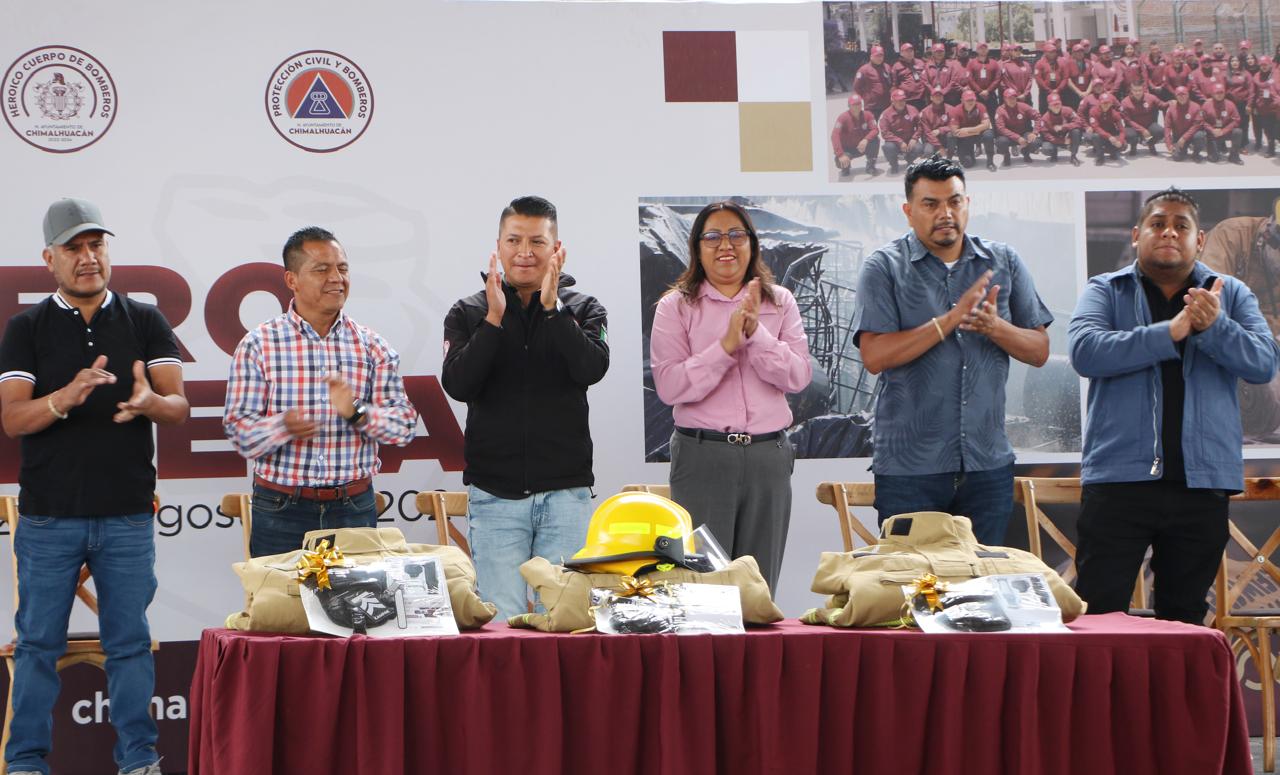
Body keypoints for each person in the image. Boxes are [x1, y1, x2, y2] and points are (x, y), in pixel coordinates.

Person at [0, 199, 190, 775]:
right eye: (74, 248)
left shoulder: (145, 320)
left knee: (129, 644)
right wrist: (64, 397)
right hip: (48, 517)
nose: (88, 257)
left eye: (96, 245)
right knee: (37, 645)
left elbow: (178, 407)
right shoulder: (26, 328)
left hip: (126, 515)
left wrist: (149, 401)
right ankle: (26, 763)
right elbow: (13, 418)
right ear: (49, 259)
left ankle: (139, 761)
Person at [1067, 188, 1279, 623]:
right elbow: (1086, 352)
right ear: (1136, 235)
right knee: (1098, 614)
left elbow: (1263, 364)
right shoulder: (1105, 289)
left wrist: (1215, 326)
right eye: (1158, 223)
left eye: (1181, 225)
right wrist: (1172, 331)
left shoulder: (1231, 294)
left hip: (1201, 485)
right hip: (1118, 482)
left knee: (1183, 619)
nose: (1168, 232)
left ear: (1199, 240)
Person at [852, 156, 1052, 544]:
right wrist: (950, 320)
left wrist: (995, 327)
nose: (945, 213)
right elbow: (874, 356)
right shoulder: (884, 267)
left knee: (983, 580)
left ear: (967, 203)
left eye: (954, 201)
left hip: (987, 466)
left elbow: (1039, 350)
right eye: (931, 204)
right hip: (910, 469)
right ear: (909, 211)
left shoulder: (1004, 261)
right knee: (912, 580)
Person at [441, 195, 609, 620]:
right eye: (514, 240)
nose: (525, 252)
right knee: (502, 623)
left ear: (556, 249)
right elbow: (458, 384)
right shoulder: (469, 311)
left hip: (566, 495)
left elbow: (591, 368)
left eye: (537, 241)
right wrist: (494, 320)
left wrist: (553, 310)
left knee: (565, 620)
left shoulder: (584, 308)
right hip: (495, 496)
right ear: (498, 247)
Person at [223, 227, 417, 556]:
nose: (336, 278)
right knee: (281, 592)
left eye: (342, 268)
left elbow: (403, 427)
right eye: (322, 269)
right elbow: (239, 432)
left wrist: (356, 412)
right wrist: (283, 426)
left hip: (353, 508)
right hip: (280, 507)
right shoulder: (259, 344)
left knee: (356, 594)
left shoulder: (372, 346)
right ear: (292, 280)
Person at [650, 201, 811, 592]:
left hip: (768, 457)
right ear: (697, 247)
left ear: (752, 244)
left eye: (737, 234)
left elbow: (798, 376)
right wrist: (725, 346)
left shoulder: (780, 302)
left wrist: (756, 334)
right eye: (713, 236)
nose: (726, 244)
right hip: (702, 456)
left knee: (758, 588)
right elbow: (670, 386)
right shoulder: (675, 306)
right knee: (702, 589)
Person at [832, 94, 881, 177]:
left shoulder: (868, 115)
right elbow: (835, 135)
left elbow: (875, 129)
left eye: (859, 104)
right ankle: (845, 167)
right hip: (848, 149)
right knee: (839, 161)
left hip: (862, 146)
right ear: (849, 106)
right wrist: (840, 154)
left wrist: (866, 139)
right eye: (854, 104)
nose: (857, 106)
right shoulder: (843, 117)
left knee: (875, 139)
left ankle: (871, 165)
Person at [948, 89, 998, 171]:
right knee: (967, 163)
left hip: (975, 134)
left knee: (988, 135)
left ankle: (990, 162)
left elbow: (986, 124)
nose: (970, 102)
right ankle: (959, 156)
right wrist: (976, 130)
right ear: (962, 101)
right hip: (964, 138)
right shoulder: (956, 110)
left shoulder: (981, 106)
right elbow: (954, 131)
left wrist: (969, 130)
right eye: (968, 100)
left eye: (972, 100)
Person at [994, 87, 1041, 167]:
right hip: (1008, 137)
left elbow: (1038, 117)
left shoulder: (1024, 106)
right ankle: (1006, 155)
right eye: (1009, 98)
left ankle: (1025, 152)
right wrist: (1017, 138)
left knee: (1036, 142)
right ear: (1005, 99)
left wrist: (1035, 132)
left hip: (1024, 133)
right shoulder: (1000, 110)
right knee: (1000, 142)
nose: (1012, 100)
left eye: (1014, 98)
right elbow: (1001, 128)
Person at [879, 88, 922, 174]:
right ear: (892, 101)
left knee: (919, 148)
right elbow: (885, 132)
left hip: (909, 140)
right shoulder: (886, 114)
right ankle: (894, 164)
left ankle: (909, 161)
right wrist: (899, 142)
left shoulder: (912, 109)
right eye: (898, 100)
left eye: (903, 100)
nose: (901, 102)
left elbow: (920, 126)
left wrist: (914, 138)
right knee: (888, 147)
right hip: (894, 142)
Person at [1038, 91, 1085, 166]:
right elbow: (1046, 135)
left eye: (1058, 104)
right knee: (1046, 148)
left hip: (1066, 136)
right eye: (1054, 105)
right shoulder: (1045, 118)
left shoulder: (1068, 110)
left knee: (1076, 131)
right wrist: (1062, 141)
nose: (1056, 106)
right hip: (1054, 139)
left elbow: (1079, 122)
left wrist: (1063, 127)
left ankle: (1073, 156)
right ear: (1049, 106)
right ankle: (1054, 154)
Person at [1120, 80, 1166, 156]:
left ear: (1143, 89)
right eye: (1135, 90)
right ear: (1131, 90)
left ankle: (1151, 143)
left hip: (1149, 125)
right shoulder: (1125, 102)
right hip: (1132, 127)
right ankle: (1133, 146)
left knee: (1160, 132)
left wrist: (1171, 103)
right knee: (1129, 135)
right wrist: (1142, 130)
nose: (1138, 93)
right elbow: (1128, 121)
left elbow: (1162, 105)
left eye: (1140, 90)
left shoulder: (1151, 97)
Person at [1203, 82, 1244, 164]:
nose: (1219, 95)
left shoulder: (1230, 104)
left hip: (1226, 132)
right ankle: (1213, 151)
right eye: (1217, 93)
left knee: (1238, 132)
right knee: (1213, 159)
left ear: (1224, 93)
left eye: (1221, 92)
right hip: (1212, 133)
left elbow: (1236, 120)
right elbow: (1201, 121)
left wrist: (1224, 131)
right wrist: (1212, 130)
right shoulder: (1206, 105)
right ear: (1212, 94)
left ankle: (1234, 156)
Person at [1164, 86, 1208, 162]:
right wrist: (1168, 143)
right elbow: (1167, 127)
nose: (1181, 97)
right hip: (1178, 136)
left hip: (1192, 135)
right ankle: (1184, 151)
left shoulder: (1196, 107)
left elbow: (1196, 125)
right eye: (1179, 95)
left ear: (1188, 95)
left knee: (1200, 136)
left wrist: (1184, 138)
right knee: (1177, 157)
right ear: (1176, 96)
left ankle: (1196, 154)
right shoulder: (1171, 108)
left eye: (1184, 94)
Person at [853, 45, 893, 115]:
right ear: (871, 56)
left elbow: (892, 84)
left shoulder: (887, 67)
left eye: (881, 56)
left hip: (887, 105)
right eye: (877, 56)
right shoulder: (864, 70)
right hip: (872, 107)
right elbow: (857, 88)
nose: (879, 58)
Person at [1089, 92, 1128, 166]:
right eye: (1104, 103)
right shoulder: (1093, 111)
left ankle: (1113, 152)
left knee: (1124, 145)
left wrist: (1120, 141)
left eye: (1108, 103)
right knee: (1095, 136)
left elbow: (1122, 131)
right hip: (1100, 135)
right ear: (1099, 103)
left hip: (1112, 133)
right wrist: (1109, 136)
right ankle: (1100, 157)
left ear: (1111, 104)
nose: (1106, 105)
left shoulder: (1115, 114)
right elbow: (1096, 127)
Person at [918, 85, 955, 159]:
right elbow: (927, 132)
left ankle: (949, 157)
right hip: (931, 139)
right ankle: (937, 155)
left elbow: (954, 126)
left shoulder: (951, 109)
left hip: (944, 136)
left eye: (940, 95)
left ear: (943, 97)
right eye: (935, 96)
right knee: (928, 152)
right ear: (931, 98)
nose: (938, 97)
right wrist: (939, 146)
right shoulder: (925, 112)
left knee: (951, 135)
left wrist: (940, 130)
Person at [1034, 42, 1068, 113]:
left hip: (1060, 92)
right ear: (1045, 52)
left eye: (1054, 52)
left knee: (1060, 111)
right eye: (1050, 52)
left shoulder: (1061, 61)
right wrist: (1048, 90)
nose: (1053, 54)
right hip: (1045, 93)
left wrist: (1058, 89)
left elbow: (1065, 77)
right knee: (1045, 112)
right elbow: (1038, 79)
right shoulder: (1039, 63)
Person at [891, 42, 927, 110]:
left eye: (911, 51)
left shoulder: (920, 62)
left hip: (921, 98)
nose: (910, 53)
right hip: (906, 99)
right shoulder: (897, 66)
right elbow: (894, 84)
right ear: (901, 53)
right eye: (907, 51)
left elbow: (926, 78)